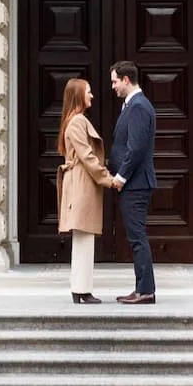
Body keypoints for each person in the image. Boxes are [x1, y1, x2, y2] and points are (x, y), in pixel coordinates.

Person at [55, 75, 116, 304]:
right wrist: (108, 179)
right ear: (79, 95)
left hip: (80, 181)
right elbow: (87, 156)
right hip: (82, 183)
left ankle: (80, 289)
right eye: (88, 91)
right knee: (83, 237)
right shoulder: (77, 121)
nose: (92, 95)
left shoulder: (73, 121)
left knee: (84, 237)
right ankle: (81, 289)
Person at [107, 58, 157, 304]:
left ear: (126, 80)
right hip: (134, 183)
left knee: (137, 238)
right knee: (136, 237)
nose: (113, 86)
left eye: (115, 81)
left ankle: (145, 291)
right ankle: (141, 288)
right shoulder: (132, 105)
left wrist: (120, 176)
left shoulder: (138, 106)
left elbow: (136, 148)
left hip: (135, 184)